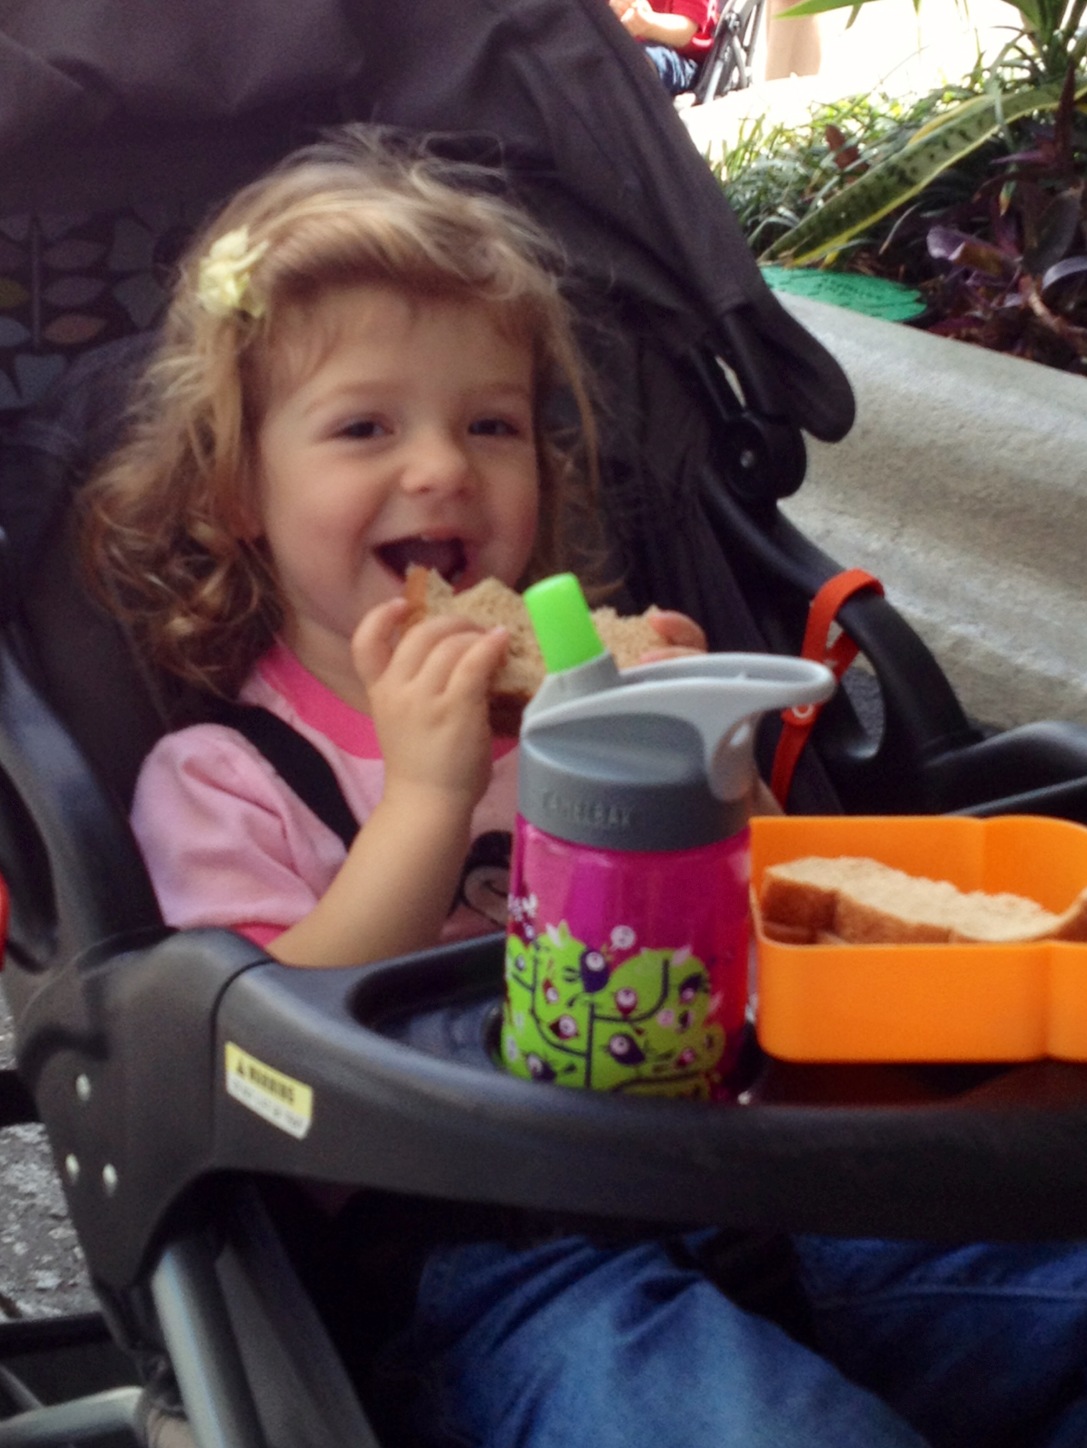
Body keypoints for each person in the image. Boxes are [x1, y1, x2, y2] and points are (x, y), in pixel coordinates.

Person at [80, 127, 1087, 1448]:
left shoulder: (598, 697)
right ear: (239, 493)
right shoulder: (224, 776)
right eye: (364, 425)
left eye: (490, 423)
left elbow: (780, 942)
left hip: (757, 1178)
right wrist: (429, 802)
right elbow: (277, 1066)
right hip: (491, 1265)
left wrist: (703, 770)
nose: (441, 466)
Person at [608, 0, 718, 95]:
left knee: (637, 60)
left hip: (680, 57)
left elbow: (685, 32)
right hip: (619, 47)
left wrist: (648, 24)